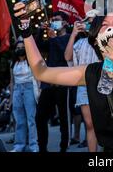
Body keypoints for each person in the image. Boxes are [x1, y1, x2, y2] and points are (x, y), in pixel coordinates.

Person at [14, 3, 113, 152]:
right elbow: (41, 71)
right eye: (104, 24)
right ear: (95, 39)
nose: (111, 28)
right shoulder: (92, 72)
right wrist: (26, 31)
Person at [34, 11, 72, 152]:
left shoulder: (70, 37)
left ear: (65, 23)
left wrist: (54, 38)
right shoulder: (51, 39)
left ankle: (64, 148)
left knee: (64, 118)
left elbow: (66, 55)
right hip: (48, 83)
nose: (54, 22)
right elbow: (38, 48)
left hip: (64, 83)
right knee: (40, 117)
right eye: (52, 20)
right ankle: (42, 148)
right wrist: (40, 31)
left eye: (57, 20)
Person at [65, 11, 99, 152]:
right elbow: (68, 57)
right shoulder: (79, 43)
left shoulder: (103, 38)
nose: (88, 24)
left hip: (102, 83)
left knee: (105, 123)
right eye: (87, 21)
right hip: (84, 85)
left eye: (92, 21)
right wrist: (73, 34)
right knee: (90, 125)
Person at [9, 40, 39, 152]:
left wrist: (38, 92)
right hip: (17, 89)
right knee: (19, 119)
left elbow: (37, 77)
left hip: (29, 88)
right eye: (17, 48)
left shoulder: (31, 61)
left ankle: (33, 145)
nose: (20, 49)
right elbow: (11, 81)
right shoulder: (12, 63)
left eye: (22, 47)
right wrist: (11, 98)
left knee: (31, 119)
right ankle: (19, 145)